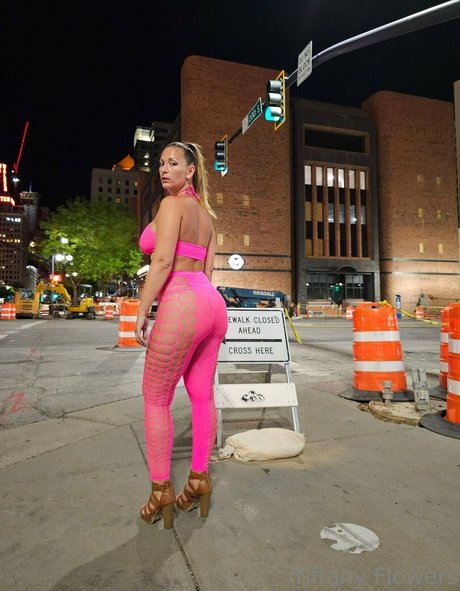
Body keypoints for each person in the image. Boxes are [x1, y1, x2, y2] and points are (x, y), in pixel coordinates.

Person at [135, 141, 228, 529]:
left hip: (182, 301)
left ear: (190, 170)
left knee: (155, 398)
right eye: (161, 163)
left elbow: (162, 261)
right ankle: (199, 480)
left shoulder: (171, 205)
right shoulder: (206, 216)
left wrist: (143, 309)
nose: (163, 169)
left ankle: (161, 491)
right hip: (212, 305)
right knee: (202, 396)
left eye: (173, 163)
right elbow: (207, 272)